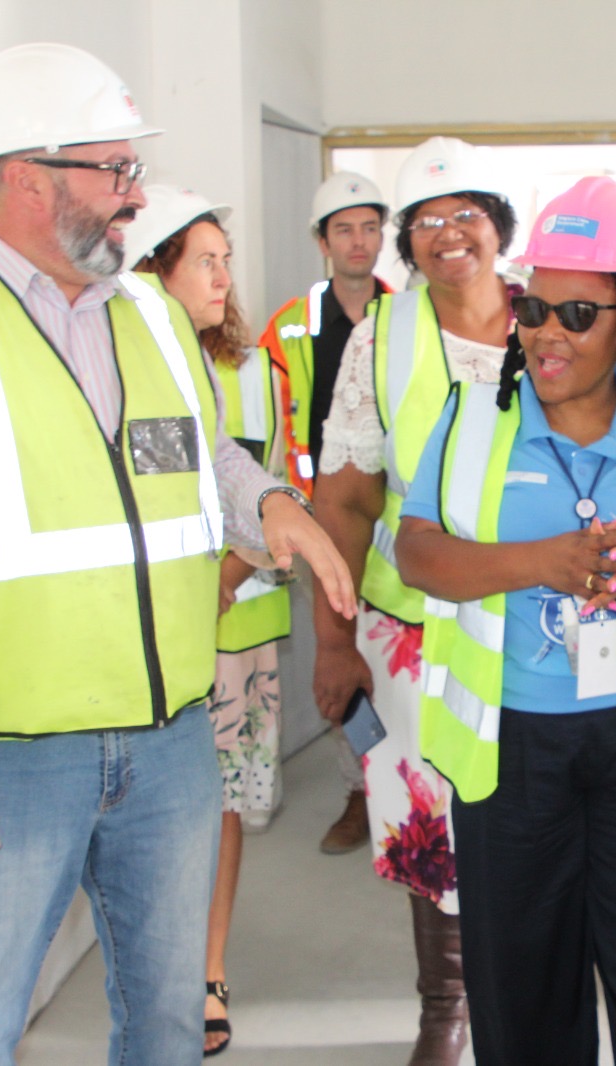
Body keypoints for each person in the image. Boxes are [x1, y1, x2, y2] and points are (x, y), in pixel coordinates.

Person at [0, 44, 355, 1065]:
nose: (135, 198)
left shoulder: (158, 320)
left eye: (132, 172)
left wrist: (273, 506)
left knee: (167, 1018)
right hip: (9, 754)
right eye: (113, 172)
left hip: (169, 740)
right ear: (27, 177)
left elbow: (200, 457)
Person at [398, 177, 616, 1066]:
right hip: (512, 748)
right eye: (534, 306)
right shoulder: (474, 414)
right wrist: (544, 561)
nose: (547, 331)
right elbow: (418, 555)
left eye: (578, 313)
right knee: (522, 988)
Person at [311, 135, 517, 1064]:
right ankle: (448, 1012)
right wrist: (332, 637)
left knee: (536, 816)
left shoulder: (557, 320)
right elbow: (346, 498)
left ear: (500, 228)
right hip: (412, 633)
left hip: (537, 625)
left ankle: (526, 1004)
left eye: (465, 214)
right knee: (427, 824)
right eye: (425, 221)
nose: (446, 235)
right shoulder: (381, 338)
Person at [128, 185, 292, 1056]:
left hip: (231, 626)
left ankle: (209, 973)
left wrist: (224, 574)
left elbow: (264, 490)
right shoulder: (122, 364)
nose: (226, 277)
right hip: (152, 635)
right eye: (207, 261)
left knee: (218, 807)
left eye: (228, 261)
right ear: (153, 269)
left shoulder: (249, 367)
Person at [257, 170, 394, 856]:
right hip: (322, 524)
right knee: (343, 656)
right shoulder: (287, 329)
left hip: (393, 523)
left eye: (370, 227)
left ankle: (401, 787)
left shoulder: (409, 317)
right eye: (344, 229)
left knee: (393, 659)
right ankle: (361, 789)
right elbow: (271, 432)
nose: (359, 241)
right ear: (322, 242)